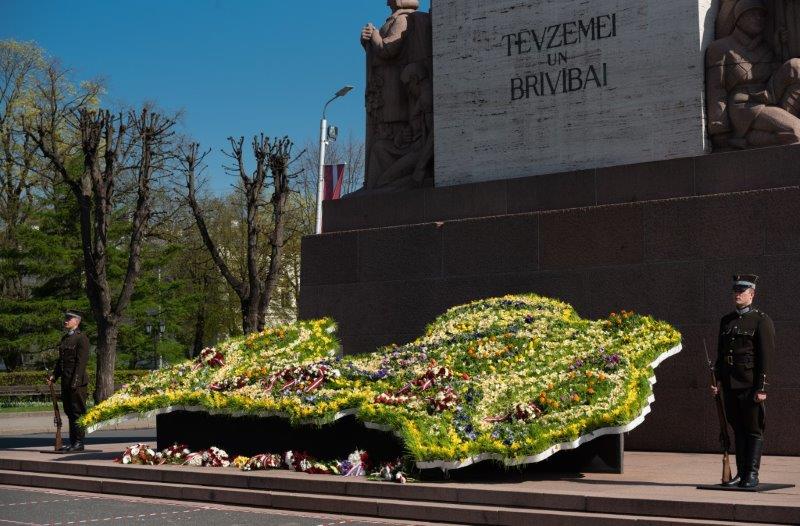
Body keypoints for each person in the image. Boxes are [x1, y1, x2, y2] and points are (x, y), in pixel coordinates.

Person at [706, 0, 800, 149]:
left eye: (761, 15)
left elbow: (775, 78)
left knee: (796, 66)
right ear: (739, 18)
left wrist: (780, 48)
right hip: (743, 106)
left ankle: (750, 138)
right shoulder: (720, 48)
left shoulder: (765, 48)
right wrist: (720, 131)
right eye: (752, 14)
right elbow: (717, 90)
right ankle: (744, 140)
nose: (759, 19)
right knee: (795, 132)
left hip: (765, 99)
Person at [711, 274, 774, 488]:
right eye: (735, 291)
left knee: (753, 429)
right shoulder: (726, 321)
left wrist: (762, 388)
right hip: (730, 384)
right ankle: (741, 473)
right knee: (737, 429)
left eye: (742, 291)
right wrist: (718, 381)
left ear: (752, 294)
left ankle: (752, 474)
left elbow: (766, 357)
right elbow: (722, 355)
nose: (737, 294)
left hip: (750, 385)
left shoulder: (761, 320)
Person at [47, 311, 90, 452]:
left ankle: (79, 442)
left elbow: (81, 363)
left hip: (77, 383)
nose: (65, 321)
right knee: (69, 412)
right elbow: (61, 361)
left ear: (76, 321)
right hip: (66, 381)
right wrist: (54, 376)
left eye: (69, 319)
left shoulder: (81, 338)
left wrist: (75, 382)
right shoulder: (66, 338)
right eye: (65, 318)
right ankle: (73, 443)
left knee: (77, 412)